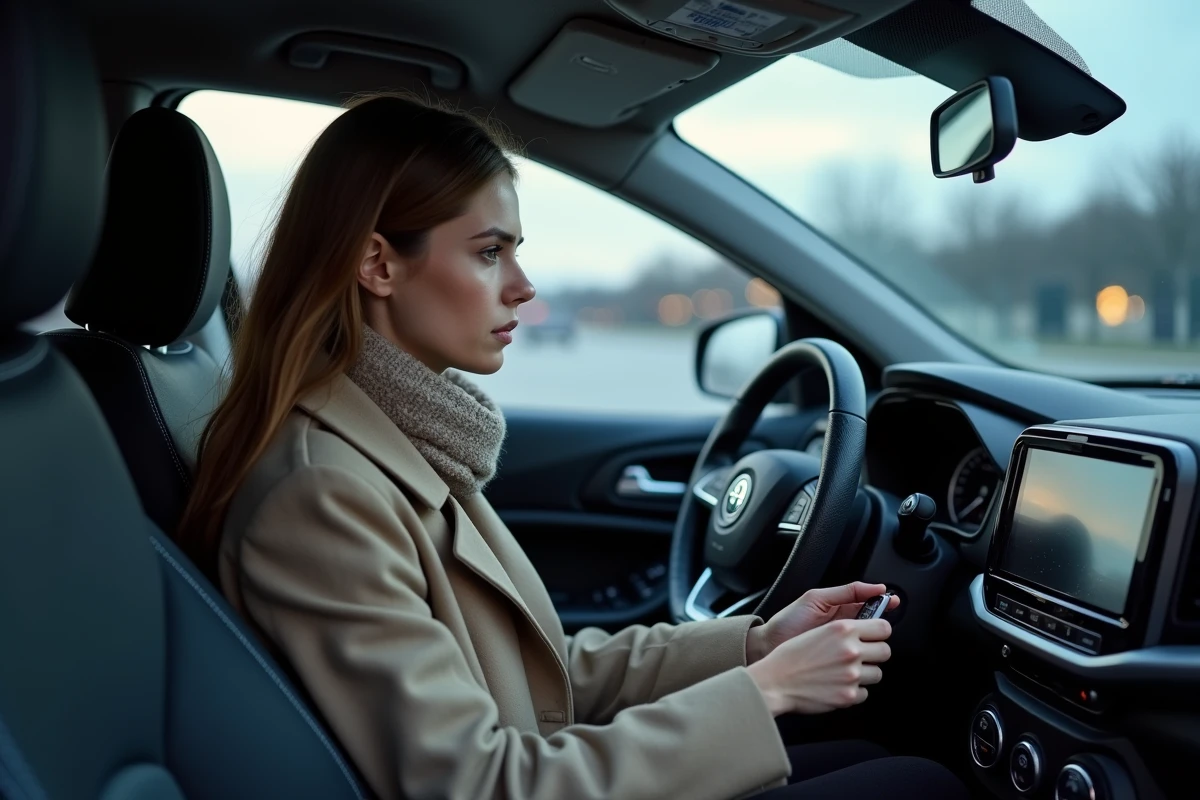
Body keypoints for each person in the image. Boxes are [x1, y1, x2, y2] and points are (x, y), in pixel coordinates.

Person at [177, 93, 967, 800]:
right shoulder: (322, 493)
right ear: (379, 264)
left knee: (879, 761)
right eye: (490, 252)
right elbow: (478, 784)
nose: (523, 286)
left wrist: (756, 644)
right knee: (921, 784)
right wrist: (767, 692)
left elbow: (544, 675)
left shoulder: (404, 442)